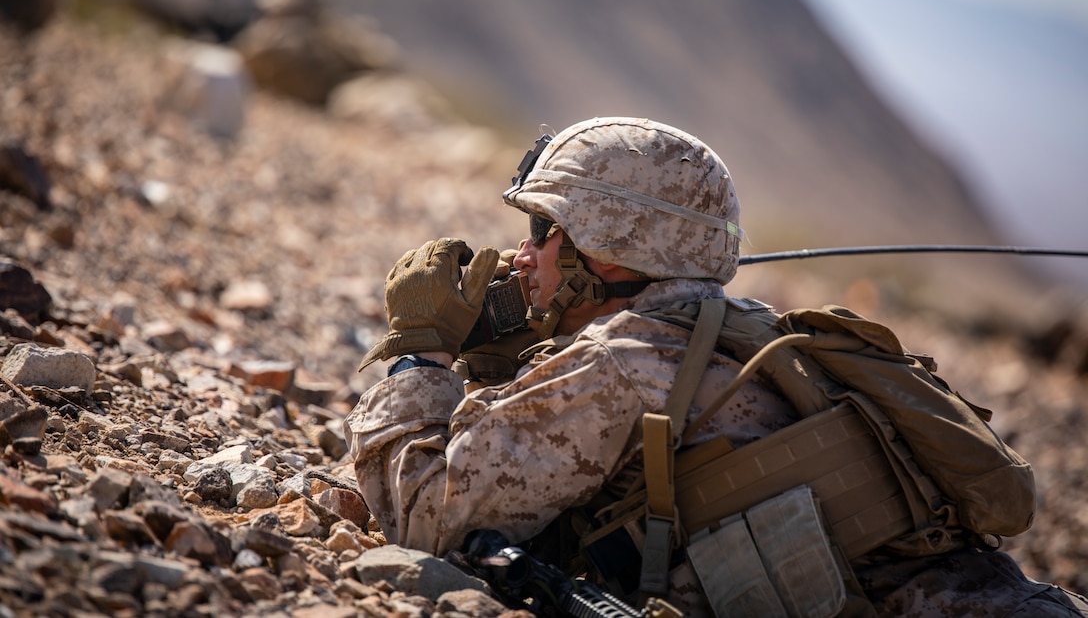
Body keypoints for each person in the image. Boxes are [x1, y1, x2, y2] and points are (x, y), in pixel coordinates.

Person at [347, 116, 1088, 617]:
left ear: (602, 252)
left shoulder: (622, 361)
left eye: (543, 231)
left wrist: (422, 351)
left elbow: (424, 516)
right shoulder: (742, 332)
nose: (520, 254)